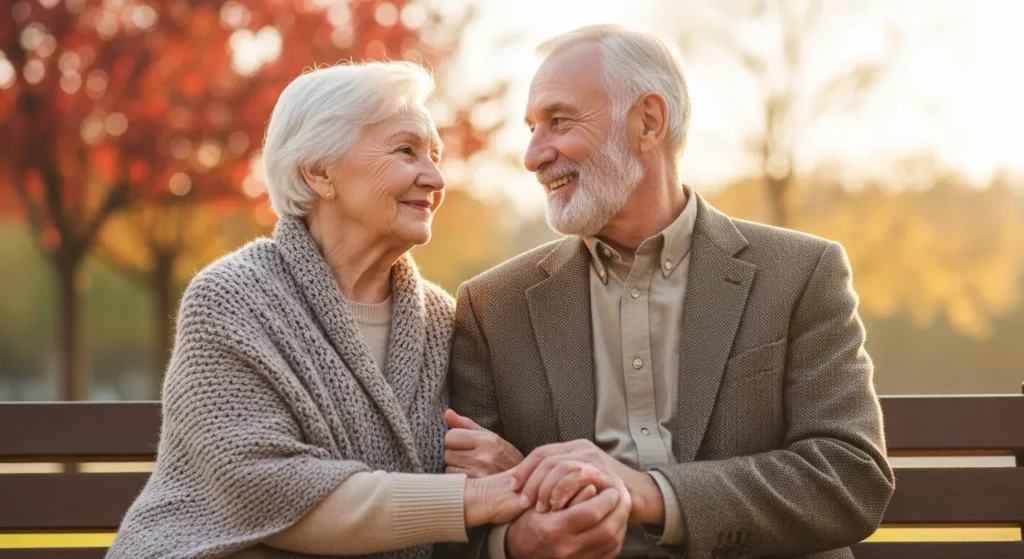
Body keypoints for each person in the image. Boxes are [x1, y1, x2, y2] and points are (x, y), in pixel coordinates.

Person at [108, 61, 614, 559]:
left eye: (435, 156)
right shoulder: (231, 299)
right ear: (319, 172)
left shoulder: (443, 320)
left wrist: (509, 471)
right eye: (406, 151)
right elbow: (259, 483)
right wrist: (479, 497)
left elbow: (486, 467)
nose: (435, 177)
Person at [445, 25, 895, 559]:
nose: (533, 155)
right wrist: (518, 541)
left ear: (648, 122)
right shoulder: (492, 308)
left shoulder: (800, 273)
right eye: (532, 128)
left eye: (558, 121)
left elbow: (850, 477)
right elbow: (458, 524)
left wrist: (647, 492)